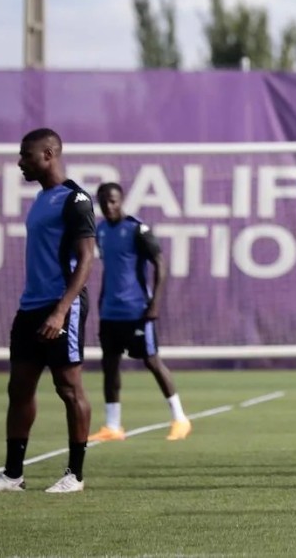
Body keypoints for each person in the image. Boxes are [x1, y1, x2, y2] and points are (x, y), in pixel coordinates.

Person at [0, 128, 96, 494]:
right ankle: (13, 475)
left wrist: (61, 311)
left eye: (26, 155)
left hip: (62, 305)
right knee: (19, 388)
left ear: (49, 154)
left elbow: (87, 259)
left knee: (68, 387)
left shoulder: (76, 199)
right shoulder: (42, 199)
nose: (20, 162)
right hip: (30, 306)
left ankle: (75, 475)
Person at [87, 183, 192, 443]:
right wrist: (101, 302)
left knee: (152, 362)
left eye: (113, 201)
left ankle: (180, 418)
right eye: (103, 202)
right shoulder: (100, 231)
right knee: (110, 366)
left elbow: (160, 264)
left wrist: (154, 303)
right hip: (110, 312)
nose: (108, 206)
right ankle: (113, 426)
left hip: (137, 311)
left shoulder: (137, 230)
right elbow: (111, 270)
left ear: (121, 200)